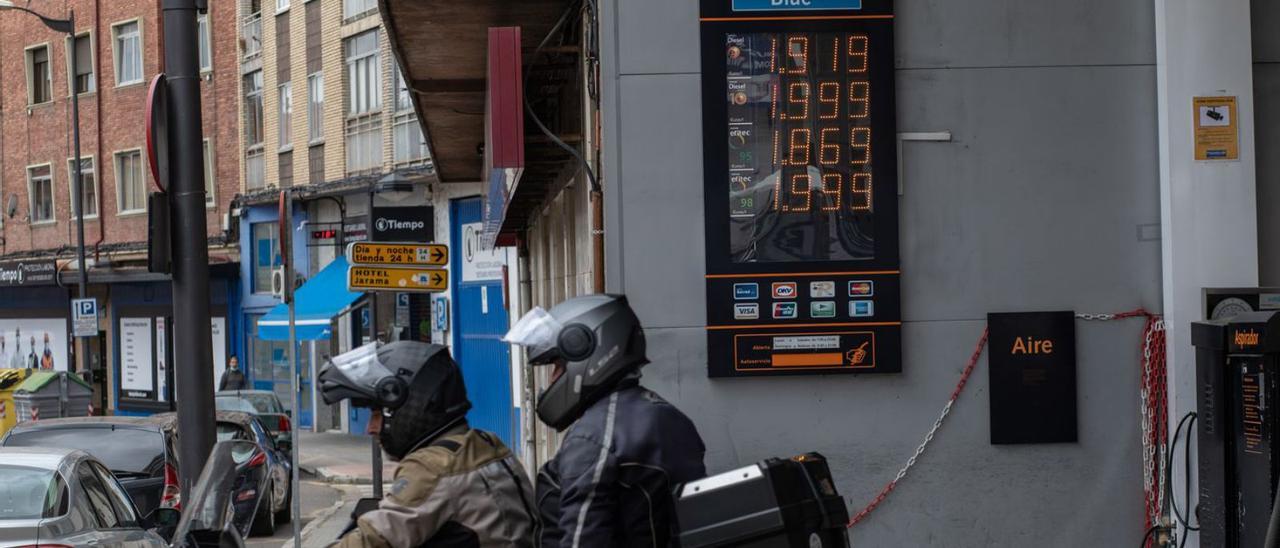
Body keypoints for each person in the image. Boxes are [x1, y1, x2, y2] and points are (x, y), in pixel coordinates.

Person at [504, 294, 707, 547]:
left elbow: (582, 539)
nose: (552, 379)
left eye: (557, 366)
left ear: (585, 350)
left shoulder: (595, 437)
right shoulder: (669, 416)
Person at [317, 341, 537, 547]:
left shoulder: (433, 467)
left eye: (376, 414)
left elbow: (375, 538)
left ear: (407, 408)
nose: (370, 428)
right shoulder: (485, 444)